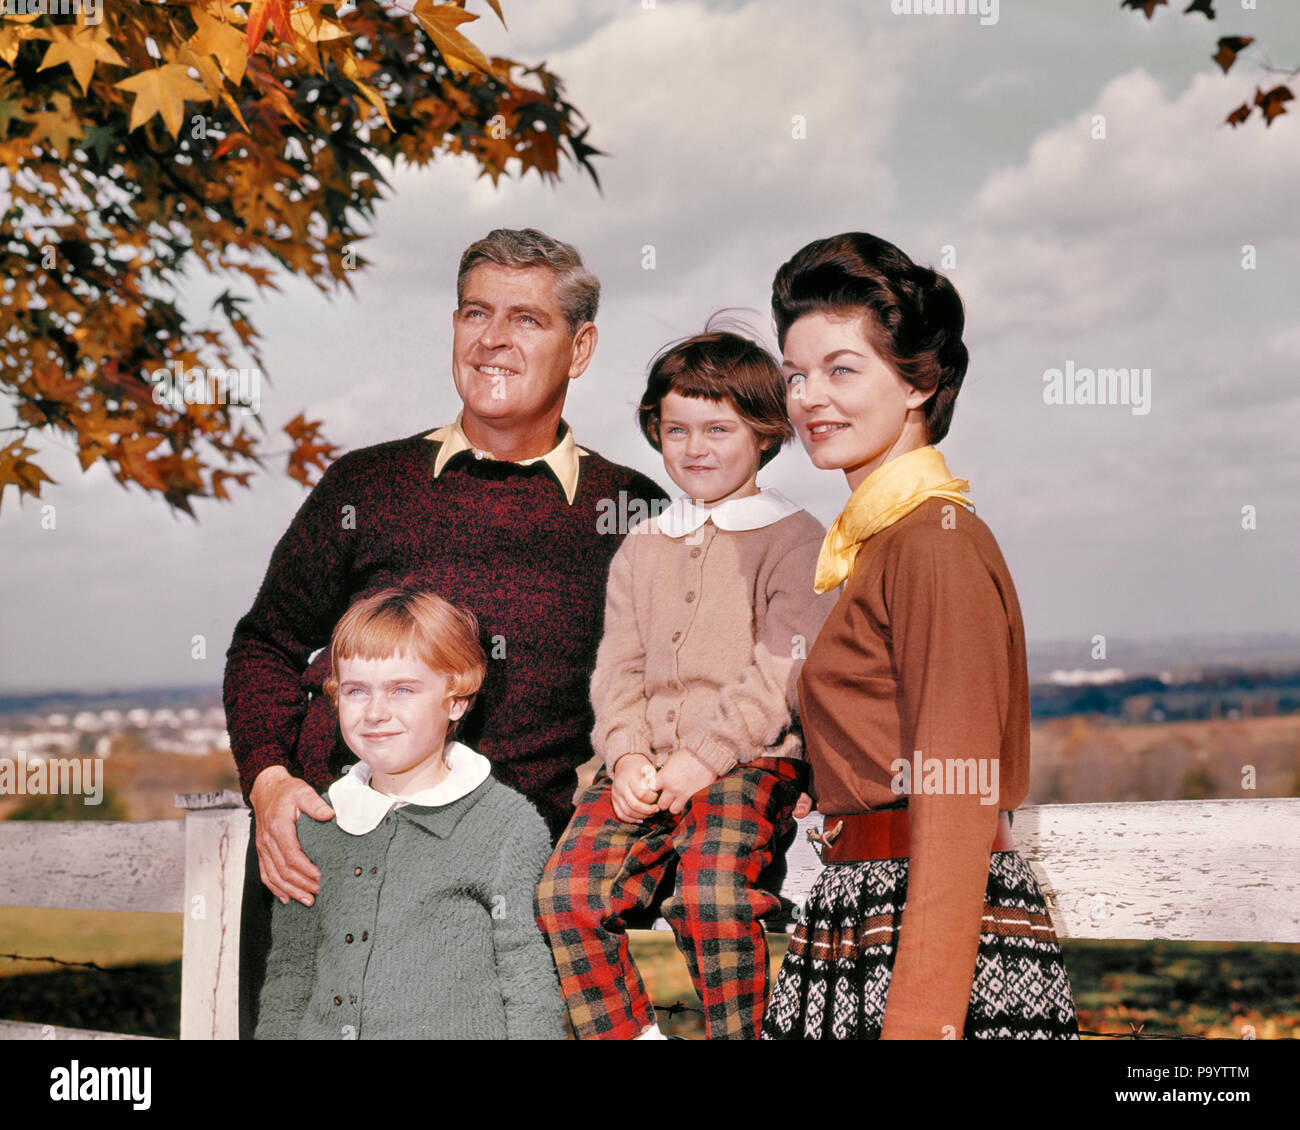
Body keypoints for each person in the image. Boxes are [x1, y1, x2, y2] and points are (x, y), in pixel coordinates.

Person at [224, 228, 666, 1036]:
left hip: (504, 882)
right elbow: (267, 641)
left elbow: (686, 681)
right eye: (475, 313)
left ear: (582, 346)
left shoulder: (633, 511)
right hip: (329, 865)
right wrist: (269, 780)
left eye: (527, 320)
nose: (492, 339)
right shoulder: (367, 485)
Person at [760, 232, 1079, 1041]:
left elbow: (960, 792)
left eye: (841, 369)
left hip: (924, 929)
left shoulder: (933, 540)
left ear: (916, 382)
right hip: (859, 906)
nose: (809, 398)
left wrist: (923, 1022)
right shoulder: (881, 542)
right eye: (796, 375)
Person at [536, 327, 837, 1040]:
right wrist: (630, 756)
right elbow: (619, 669)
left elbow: (781, 669)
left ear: (766, 435)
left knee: (709, 895)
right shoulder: (643, 545)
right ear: (655, 431)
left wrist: (701, 758)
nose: (695, 447)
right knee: (565, 895)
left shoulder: (795, 539)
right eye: (677, 429)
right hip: (642, 768)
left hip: (746, 762)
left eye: (718, 429)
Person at [255, 587, 564, 1039]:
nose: (376, 712)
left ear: (457, 696)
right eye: (356, 690)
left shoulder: (506, 826)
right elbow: (290, 975)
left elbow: (528, 980)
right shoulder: (317, 825)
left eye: (402, 689)